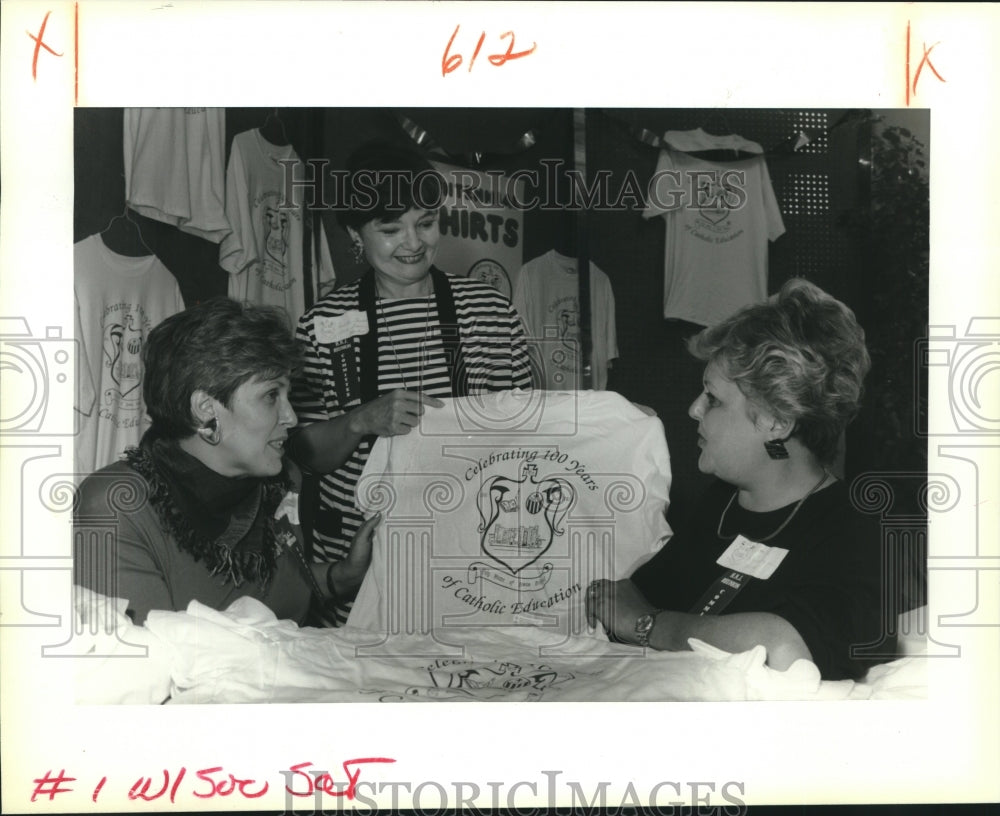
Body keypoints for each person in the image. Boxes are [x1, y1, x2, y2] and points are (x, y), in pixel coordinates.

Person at [586, 278, 895, 681]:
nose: (695, 409)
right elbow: (632, 596)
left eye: (713, 399)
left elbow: (784, 648)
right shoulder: (723, 504)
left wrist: (649, 624)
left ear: (776, 421)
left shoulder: (854, 528)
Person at [289, 141, 533, 625]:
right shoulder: (322, 323)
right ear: (356, 234)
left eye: (425, 223)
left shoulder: (491, 312)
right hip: (360, 551)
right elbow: (304, 451)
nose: (413, 243)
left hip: (471, 545)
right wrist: (361, 420)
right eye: (390, 228)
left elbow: (527, 432)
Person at [73, 297, 380, 626]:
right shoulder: (116, 506)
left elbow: (273, 600)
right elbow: (152, 667)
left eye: (287, 395)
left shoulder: (278, 482)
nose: (291, 417)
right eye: (271, 395)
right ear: (205, 409)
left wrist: (345, 574)